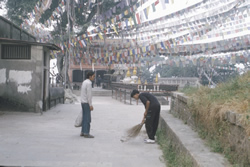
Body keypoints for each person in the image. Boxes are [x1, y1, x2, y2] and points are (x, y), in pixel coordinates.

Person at [80, 71, 95, 138]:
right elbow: (89, 95)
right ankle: (86, 132)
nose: (94, 78)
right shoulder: (89, 83)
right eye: (93, 76)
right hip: (86, 102)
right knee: (87, 118)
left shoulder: (84, 82)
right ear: (90, 76)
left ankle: (83, 131)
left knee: (84, 117)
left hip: (83, 102)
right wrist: (90, 104)